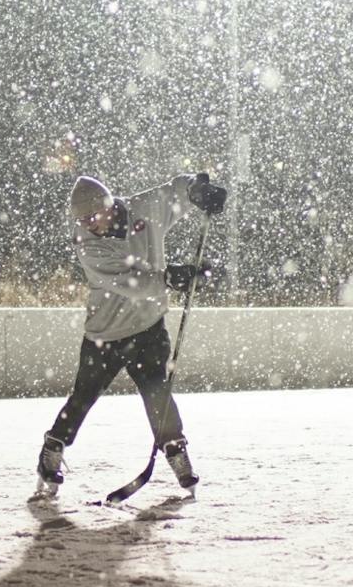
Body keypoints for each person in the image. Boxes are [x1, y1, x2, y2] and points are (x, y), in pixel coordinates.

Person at [37, 169, 226, 496]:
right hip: (105, 336)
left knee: (158, 395)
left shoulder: (144, 208)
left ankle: (176, 451)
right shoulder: (89, 245)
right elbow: (131, 283)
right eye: (81, 220)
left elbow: (173, 191)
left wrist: (195, 190)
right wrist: (170, 278)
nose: (88, 224)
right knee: (83, 397)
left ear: (110, 205)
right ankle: (52, 448)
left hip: (149, 329)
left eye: (93, 216)